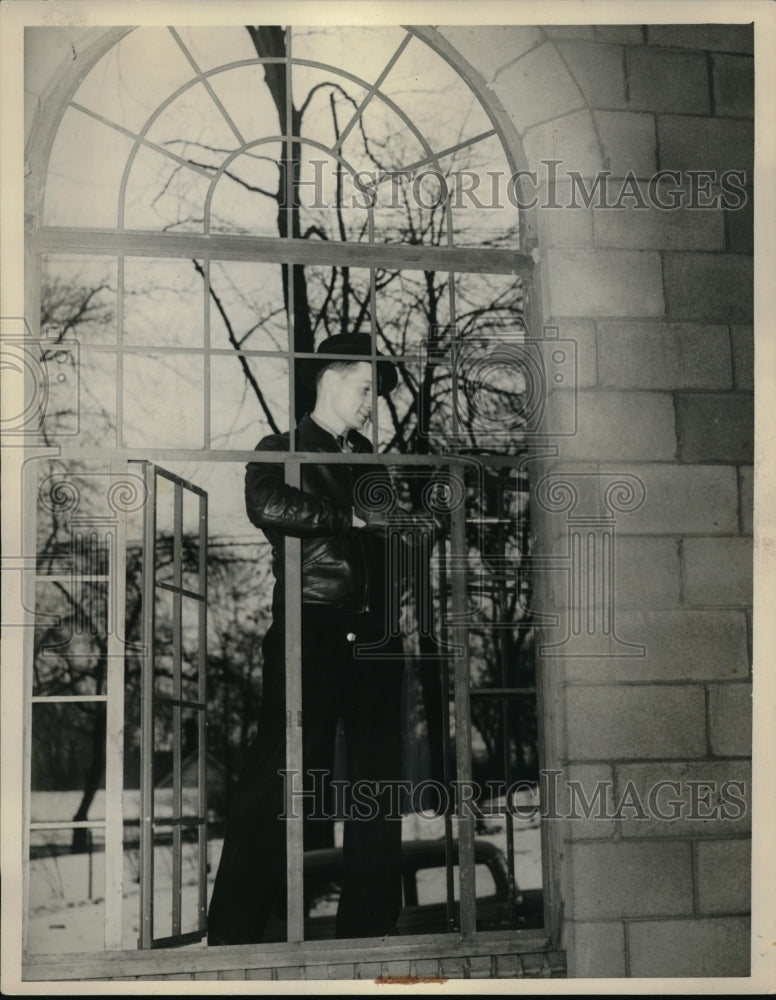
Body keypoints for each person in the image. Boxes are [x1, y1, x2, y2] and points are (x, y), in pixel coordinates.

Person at [207, 332, 407, 945]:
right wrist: (346, 518)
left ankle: (368, 934)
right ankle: (235, 934)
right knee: (281, 777)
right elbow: (264, 501)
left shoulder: (370, 459)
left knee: (379, 785)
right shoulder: (283, 449)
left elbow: (394, 537)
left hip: (375, 636)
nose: (373, 401)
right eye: (366, 387)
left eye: (376, 391)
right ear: (328, 378)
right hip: (310, 632)